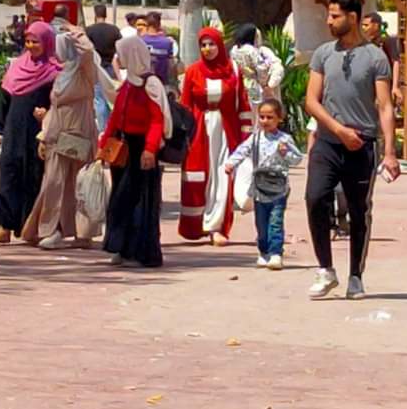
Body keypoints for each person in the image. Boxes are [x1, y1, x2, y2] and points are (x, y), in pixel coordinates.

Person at [305, 0, 400, 300]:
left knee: (358, 210)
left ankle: (356, 276)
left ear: (353, 17)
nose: (329, 21)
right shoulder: (323, 54)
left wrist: (390, 152)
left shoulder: (375, 57)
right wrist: (336, 129)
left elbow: (384, 105)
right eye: (329, 15)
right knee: (315, 198)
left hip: (362, 145)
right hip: (328, 142)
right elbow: (311, 101)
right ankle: (325, 269)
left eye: (335, 16)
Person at [22, 22, 103, 249]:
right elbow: (55, 106)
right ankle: (49, 229)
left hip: (78, 133)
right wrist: (43, 134)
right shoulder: (63, 72)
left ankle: (82, 233)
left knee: (78, 185)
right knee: (54, 183)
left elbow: (88, 51)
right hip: (57, 134)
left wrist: (76, 33)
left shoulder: (84, 72)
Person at [99, 35, 171, 267]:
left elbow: (157, 120)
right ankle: (120, 247)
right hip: (124, 148)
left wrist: (150, 149)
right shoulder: (128, 83)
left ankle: (140, 252)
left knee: (141, 201)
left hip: (142, 149)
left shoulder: (151, 84)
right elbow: (116, 116)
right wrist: (104, 146)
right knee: (120, 199)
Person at [179, 27, 252, 245]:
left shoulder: (233, 71)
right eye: (203, 45)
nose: (207, 49)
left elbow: (243, 103)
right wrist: (183, 134)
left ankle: (216, 227)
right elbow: (185, 106)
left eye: (211, 44)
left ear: (219, 45)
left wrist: (246, 134)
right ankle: (197, 225)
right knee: (198, 177)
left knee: (223, 176)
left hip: (226, 131)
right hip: (199, 132)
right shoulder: (193, 72)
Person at [0, 21, 61, 243]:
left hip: (38, 133)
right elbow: (3, 102)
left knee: (34, 177)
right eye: (28, 41)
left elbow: (59, 104)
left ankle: (31, 227)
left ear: (47, 42)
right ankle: (4, 227)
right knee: (8, 174)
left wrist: (47, 114)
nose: (30, 46)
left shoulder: (55, 72)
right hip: (14, 129)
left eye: (35, 42)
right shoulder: (16, 68)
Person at [225, 98, 303, 270]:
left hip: (278, 188)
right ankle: (263, 252)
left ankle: (276, 253)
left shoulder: (285, 139)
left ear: (279, 119)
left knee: (275, 220)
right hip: (260, 187)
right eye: (262, 117)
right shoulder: (255, 138)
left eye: (270, 117)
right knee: (261, 222)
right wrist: (231, 164)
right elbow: (242, 151)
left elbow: (297, 159)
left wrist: (285, 154)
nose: (265, 121)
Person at [86, 3, 123, 127]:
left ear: (95, 14)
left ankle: (103, 128)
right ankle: (114, 126)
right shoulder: (114, 30)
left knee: (99, 100)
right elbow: (120, 49)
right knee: (112, 99)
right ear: (105, 14)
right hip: (111, 67)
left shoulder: (89, 30)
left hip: (96, 68)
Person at [231, 24, 284, 104]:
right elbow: (262, 68)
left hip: (242, 85)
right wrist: (267, 83)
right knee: (259, 106)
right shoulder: (252, 50)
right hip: (257, 86)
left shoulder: (234, 50)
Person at [361, 13, 404, 106]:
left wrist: (395, 87)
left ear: (376, 26)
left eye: (366, 25)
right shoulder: (367, 43)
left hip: (385, 83)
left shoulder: (386, 40)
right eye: (363, 25)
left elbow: (395, 62)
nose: (364, 28)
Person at [143, 10, 181, 89]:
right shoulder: (167, 42)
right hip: (161, 83)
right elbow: (171, 64)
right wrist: (175, 82)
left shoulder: (139, 41)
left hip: (143, 83)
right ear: (159, 24)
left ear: (146, 24)